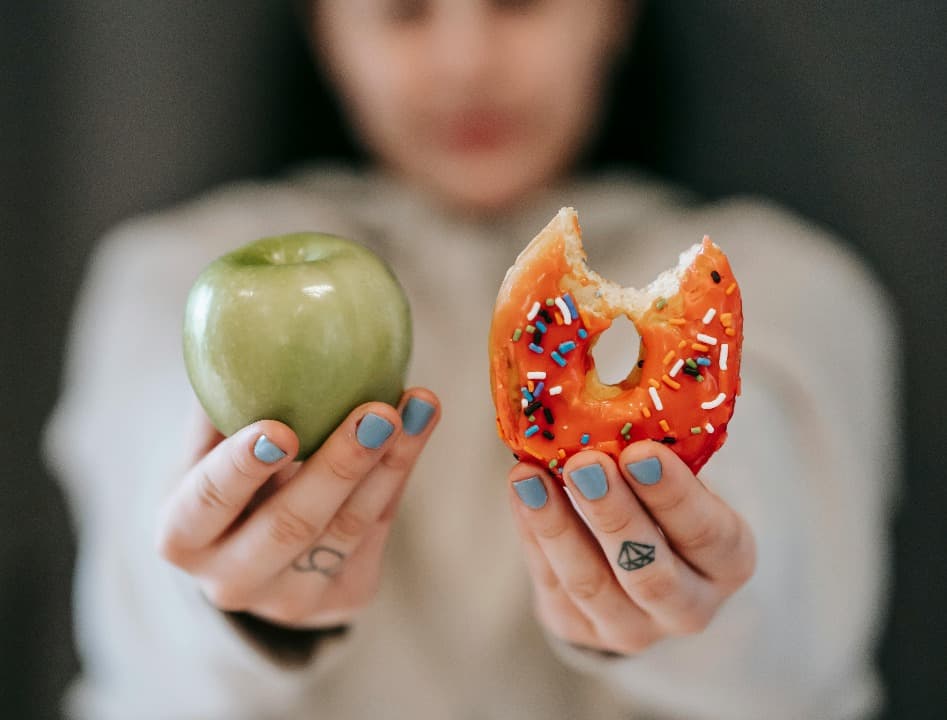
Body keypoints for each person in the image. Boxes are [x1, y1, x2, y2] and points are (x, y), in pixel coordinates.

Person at [44, 1, 899, 718]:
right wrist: (229, 602)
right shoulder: (164, 275)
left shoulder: (791, 283)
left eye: (519, 0)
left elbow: (795, 599)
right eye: (402, 9)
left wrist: (701, 601)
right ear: (323, 27)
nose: (464, 62)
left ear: (614, 13)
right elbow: (136, 603)